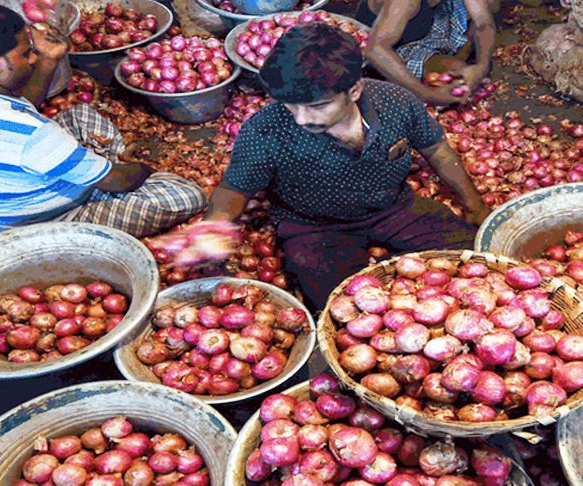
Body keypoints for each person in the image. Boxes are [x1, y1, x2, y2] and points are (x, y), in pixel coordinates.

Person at [203, 23, 490, 311]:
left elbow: (437, 149)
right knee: (342, 309)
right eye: (291, 105)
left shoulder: (396, 103)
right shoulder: (266, 129)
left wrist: (474, 204)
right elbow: (234, 189)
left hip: (393, 208)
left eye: (317, 106)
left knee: (470, 259)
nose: (301, 118)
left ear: (353, 89)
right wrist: (214, 228)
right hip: (313, 227)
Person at [0, 0, 206, 235]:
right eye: (26, 53)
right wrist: (141, 170)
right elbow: (120, 182)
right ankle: (97, 168)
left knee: (79, 115)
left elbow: (20, 106)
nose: (33, 58)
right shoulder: (32, 135)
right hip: (39, 228)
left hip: (5, 198)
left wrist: (49, 59)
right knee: (183, 195)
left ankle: (90, 166)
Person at [356, 0, 498, 106]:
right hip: (400, 42)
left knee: (492, 3)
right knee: (454, 72)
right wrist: (426, 95)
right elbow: (375, 49)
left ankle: (461, 53)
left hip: (434, 20)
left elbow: (483, 21)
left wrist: (482, 65)